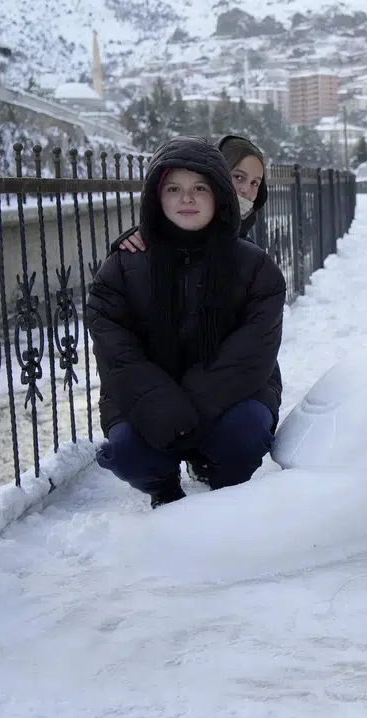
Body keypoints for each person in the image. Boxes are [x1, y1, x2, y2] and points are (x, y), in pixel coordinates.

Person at [86, 136, 288, 509]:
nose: (187, 198)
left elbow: (252, 350)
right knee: (130, 448)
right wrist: (162, 407)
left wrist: (186, 409)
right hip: (148, 393)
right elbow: (117, 351)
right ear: (156, 196)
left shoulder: (257, 268)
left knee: (244, 433)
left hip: (232, 390)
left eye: (200, 188)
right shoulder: (121, 267)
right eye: (174, 189)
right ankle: (164, 492)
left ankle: (226, 492)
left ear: (217, 194)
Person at [113, 135, 268, 251]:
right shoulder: (146, 245)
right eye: (238, 177)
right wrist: (141, 236)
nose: (246, 190)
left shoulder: (253, 259)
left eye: (255, 183)